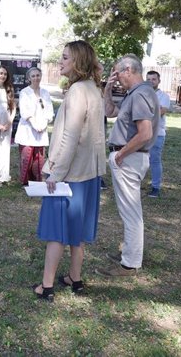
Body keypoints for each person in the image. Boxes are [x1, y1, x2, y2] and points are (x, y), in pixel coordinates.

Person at [31, 41, 106, 301]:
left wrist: (55, 172)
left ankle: (47, 286)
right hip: (90, 174)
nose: (60, 61)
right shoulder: (94, 89)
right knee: (78, 232)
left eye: (65, 58)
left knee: (56, 232)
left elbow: (70, 137)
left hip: (70, 175)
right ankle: (75, 279)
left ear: (78, 62)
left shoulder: (77, 91)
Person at [96, 54, 159, 277]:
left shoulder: (141, 94)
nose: (116, 77)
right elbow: (110, 112)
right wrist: (107, 90)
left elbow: (145, 133)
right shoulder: (135, 93)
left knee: (131, 212)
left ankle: (130, 264)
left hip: (129, 158)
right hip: (129, 158)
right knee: (129, 211)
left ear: (129, 70)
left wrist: (121, 153)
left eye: (118, 72)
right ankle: (129, 254)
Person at [15, 67, 54, 185]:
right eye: (33, 76)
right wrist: (35, 124)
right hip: (28, 129)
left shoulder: (45, 93)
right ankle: (25, 182)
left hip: (41, 129)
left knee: (39, 158)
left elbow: (49, 110)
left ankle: (37, 181)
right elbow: (25, 112)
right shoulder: (24, 92)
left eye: (38, 75)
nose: (36, 78)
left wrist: (44, 123)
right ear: (29, 78)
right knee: (27, 156)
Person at [145, 70, 170, 198]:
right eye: (148, 79)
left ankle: (155, 187)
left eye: (153, 79)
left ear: (159, 81)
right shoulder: (141, 94)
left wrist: (143, 111)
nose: (151, 82)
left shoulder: (164, 96)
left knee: (154, 160)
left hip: (157, 134)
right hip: (141, 133)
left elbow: (160, 112)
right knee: (139, 159)